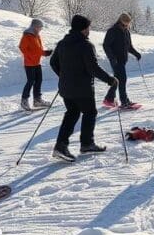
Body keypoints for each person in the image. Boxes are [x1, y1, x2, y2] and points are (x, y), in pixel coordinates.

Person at [50, 14, 117, 162]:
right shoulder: (86, 45)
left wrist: (63, 75)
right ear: (83, 28)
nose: (89, 30)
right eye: (88, 27)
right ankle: (86, 143)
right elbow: (93, 68)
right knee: (90, 112)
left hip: (65, 87)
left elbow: (53, 63)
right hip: (82, 88)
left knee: (72, 113)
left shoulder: (62, 43)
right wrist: (109, 80)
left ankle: (60, 145)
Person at [102, 12, 142, 109]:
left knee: (117, 80)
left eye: (127, 24)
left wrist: (136, 53)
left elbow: (129, 46)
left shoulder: (126, 32)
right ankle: (124, 101)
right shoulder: (112, 31)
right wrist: (112, 58)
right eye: (124, 24)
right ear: (120, 21)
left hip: (122, 60)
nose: (126, 26)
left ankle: (109, 99)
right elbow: (106, 45)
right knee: (122, 79)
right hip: (115, 61)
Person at [18, 18, 53, 111]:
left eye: (41, 27)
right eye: (39, 27)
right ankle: (24, 100)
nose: (40, 29)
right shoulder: (27, 36)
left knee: (39, 80)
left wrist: (44, 53)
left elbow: (37, 49)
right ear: (34, 27)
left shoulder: (37, 36)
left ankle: (37, 100)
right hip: (29, 63)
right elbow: (22, 48)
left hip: (37, 62)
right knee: (31, 81)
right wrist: (31, 56)